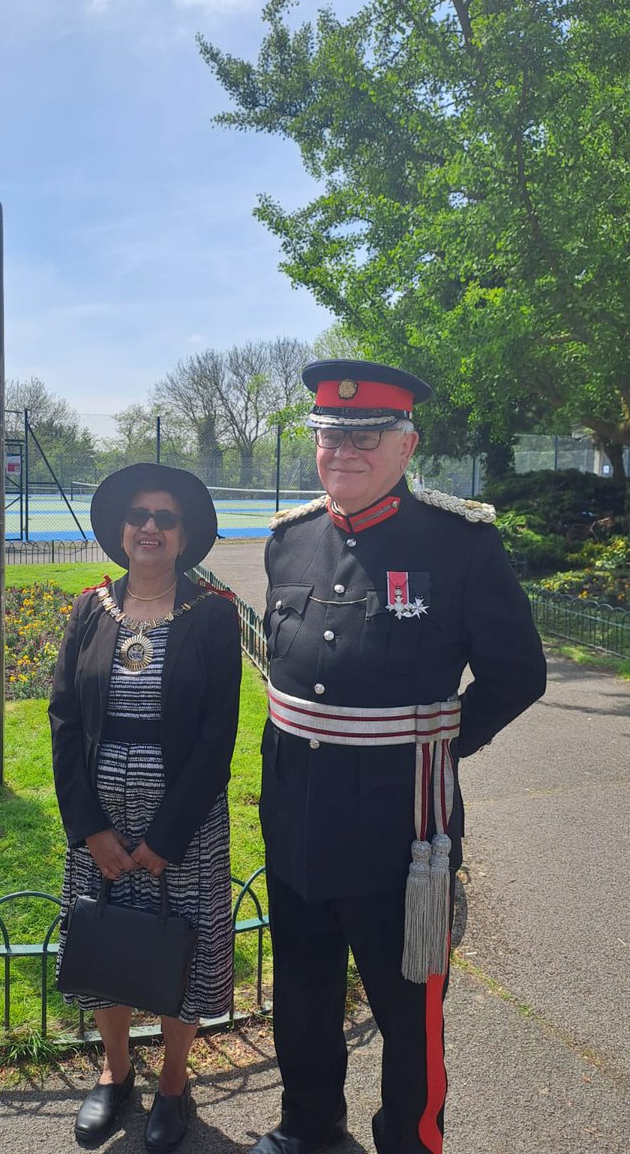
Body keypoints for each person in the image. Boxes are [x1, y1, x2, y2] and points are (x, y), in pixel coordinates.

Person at [250, 361, 547, 1154]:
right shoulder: (289, 540)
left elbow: (519, 675)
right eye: (328, 434)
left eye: (365, 434)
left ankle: (408, 1145)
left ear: (407, 443)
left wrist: (437, 743)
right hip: (297, 821)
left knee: (408, 1015)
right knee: (304, 996)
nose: (342, 449)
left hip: (399, 833)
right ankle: (309, 1129)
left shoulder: (460, 544)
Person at [50, 463, 242, 1153]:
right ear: (120, 530)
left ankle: (172, 1083)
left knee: (180, 949)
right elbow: (64, 719)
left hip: (181, 822)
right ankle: (115, 1071)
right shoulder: (89, 609)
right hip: (101, 812)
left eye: (165, 518)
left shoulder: (214, 615)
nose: (150, 527)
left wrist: (166, 837)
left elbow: (219, 736)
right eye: (139, 516)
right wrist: (91, 828)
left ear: (184, 534)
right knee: (106, 941)